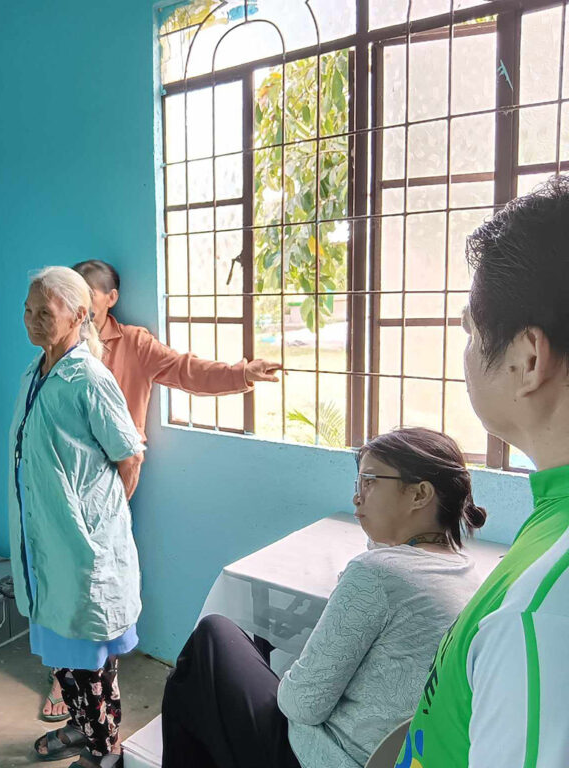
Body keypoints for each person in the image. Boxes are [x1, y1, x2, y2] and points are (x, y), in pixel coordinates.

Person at [30, 259, 281, 723]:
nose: (74, 304)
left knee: (99, 590)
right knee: (64, 581)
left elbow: (186, 370)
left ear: (107, 299)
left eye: (87, 294)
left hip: (108, 485)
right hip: (62, 489)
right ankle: (70, 682)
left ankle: (96, 695)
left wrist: (243, 373)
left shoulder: (133, 345)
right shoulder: (53, 350)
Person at [161, 427, 486, 768]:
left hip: (324, 758)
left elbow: (302, 705)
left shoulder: (377, 574)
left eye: (370, 481)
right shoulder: (467, 573)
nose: (357, 498)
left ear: (419, 494)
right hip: (396, 757)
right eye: (357, 484)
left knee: (211, 641)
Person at [396, 176, 569, 767]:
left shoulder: (541, 610)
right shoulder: (552, 519)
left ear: (528, 358)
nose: (465, 347)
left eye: (471, 330)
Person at [11, 266, 145, 768]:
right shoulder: (36, 370)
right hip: (47, 539)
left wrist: (100, 522)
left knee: (89, 666)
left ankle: (103, 754)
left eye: (44, 312)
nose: (32, 320)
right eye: (27, 310)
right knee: (68, 658)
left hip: (80, 544)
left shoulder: (89, 377)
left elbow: (128, 456)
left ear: (80, 315)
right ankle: (81, 730)